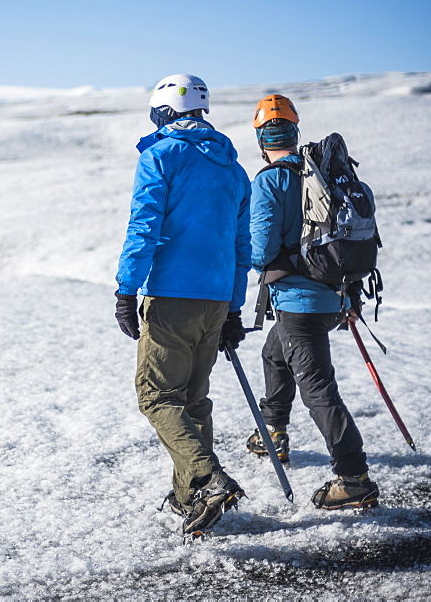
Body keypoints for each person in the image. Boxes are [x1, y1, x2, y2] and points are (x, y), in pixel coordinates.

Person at [114, 74, 252, 534]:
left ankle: (209, 480)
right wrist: (233, 309)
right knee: (193, 401)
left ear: (165, 110)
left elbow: (144, 226)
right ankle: (186, 496)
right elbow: (240, 246)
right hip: (214, 300)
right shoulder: (234, 170)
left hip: (173, 294)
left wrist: (126, 290)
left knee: (157, 395)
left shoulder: (160, 156)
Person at [246, 94, 380, 509]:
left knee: (319, 389)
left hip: (298, 304)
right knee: (275, 352)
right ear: (295, 131)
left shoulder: (271, 180)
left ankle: (353, 476)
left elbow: (261, 248)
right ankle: (273, 430)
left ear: (261, 140)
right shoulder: (321, 176)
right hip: (332, 298)